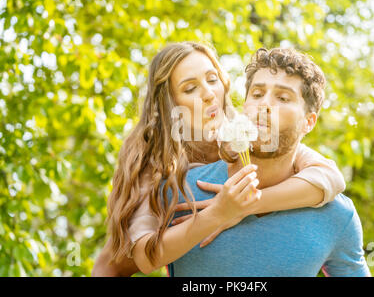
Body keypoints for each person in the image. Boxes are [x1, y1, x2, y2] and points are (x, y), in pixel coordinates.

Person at [92, 42, 346, 276]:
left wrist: (249, 205)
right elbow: (144, 258)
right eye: (190, 88)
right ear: (169, 104)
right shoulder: (154, 159)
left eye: (212, 79)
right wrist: (218, 213)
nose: (209, 94)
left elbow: (330, 177)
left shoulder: (242, 132)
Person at [148, 47, 370, 276]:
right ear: (244, 107)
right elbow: (124, 262)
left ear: (309, 122)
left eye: (283, 98)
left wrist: (248, 205)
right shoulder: (180, 190)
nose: (263, 105)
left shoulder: (336, 216)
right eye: (256, 94)